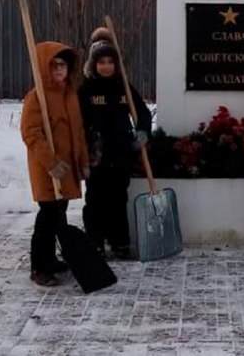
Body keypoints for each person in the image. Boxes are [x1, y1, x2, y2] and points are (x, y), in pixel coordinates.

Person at [78, 27, 152, 260]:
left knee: (118, 197)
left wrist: (142, 132)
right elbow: (77, 121)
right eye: (101, 62)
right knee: (96, 199)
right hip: (97, 154)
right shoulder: (87, 90)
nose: (106, 66)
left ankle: (119, 241)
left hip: (120, 152)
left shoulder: (125, 88)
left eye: (110, 62)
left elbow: (142, 114)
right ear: (94, 64)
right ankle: (95, 241)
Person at [21, 42, 89, 287]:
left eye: (64, 64)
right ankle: (39, 267)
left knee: (59, 214)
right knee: (48, 215)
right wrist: (51, 163)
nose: (60, 69)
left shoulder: (70, 94)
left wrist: (82, 162)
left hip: (67, 167)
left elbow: (77, 132)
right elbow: (31, 133)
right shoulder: (36, 97)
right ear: (44, 67)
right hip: (47, 169)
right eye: (55, 64)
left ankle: (51, 259)